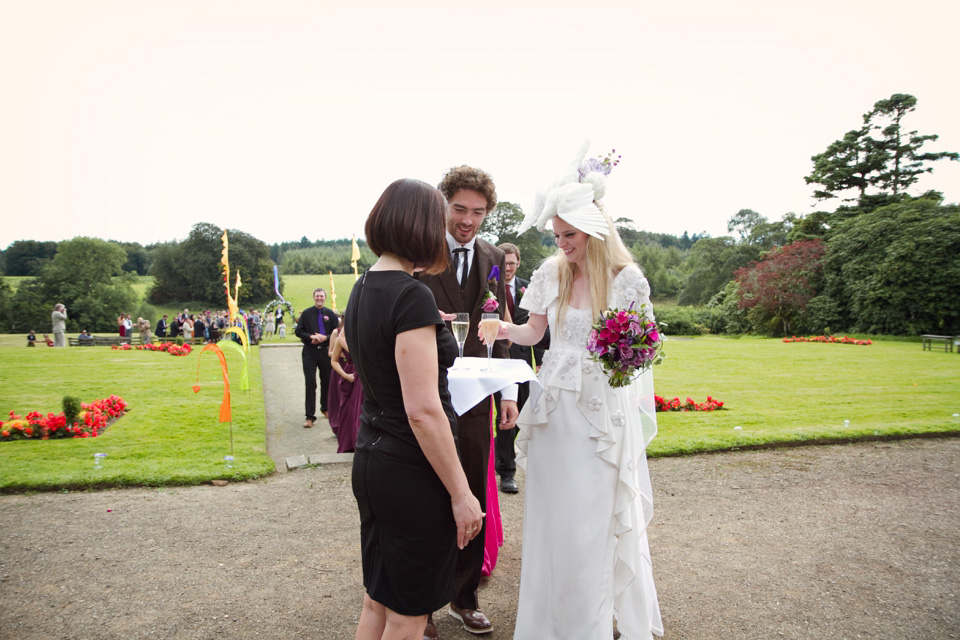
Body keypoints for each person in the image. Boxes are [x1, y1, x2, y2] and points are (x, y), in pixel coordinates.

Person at [494, 142, 663, 639]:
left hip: (599, 415)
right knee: (553, 520)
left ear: (593, 230)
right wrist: (502, 330)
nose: (562, 243)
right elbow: (533, 334)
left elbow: (644, 345)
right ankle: (548, 622)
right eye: (556, 234)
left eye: (569, 235)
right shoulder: (550, 272)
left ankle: (587, 623)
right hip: (554, 412)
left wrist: (624, 357)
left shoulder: (626, 278)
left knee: (591, 521)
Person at [345, 178, 483, 640]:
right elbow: (424, 411)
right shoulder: (411, 295)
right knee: (408, 615)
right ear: (424, 227)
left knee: (377, 601)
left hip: (372, 457)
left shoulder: (362, 286)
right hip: (410, 470)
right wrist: (462, 494)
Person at [417, 164, 516, 637]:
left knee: (472, 494)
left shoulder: (494, 257)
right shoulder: (419, 252)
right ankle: (423, 606)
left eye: (477, 212)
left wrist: (509, 394)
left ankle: (464, 597)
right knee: (430, 498)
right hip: (428, 397)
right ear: (443, 206)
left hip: (478, 402)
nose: (467, 221)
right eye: (459, 209)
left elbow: (501, 334)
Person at [493, 243, 550, 495]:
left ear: (518, 263)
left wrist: (540, 362)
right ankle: (507, 472)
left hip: (522, 363)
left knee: (519, 415)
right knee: (503, 416)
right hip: (494, 359)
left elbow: (540, 328)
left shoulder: (530, 287)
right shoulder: (488, 286)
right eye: (504, 264)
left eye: (512, 263)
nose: (508, 268)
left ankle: (503, 456)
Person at [294, 288, 338, 428]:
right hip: (310, 352)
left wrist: (325, 338)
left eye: (321, 296)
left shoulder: (330, 314)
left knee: (326, 381)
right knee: (310, 383)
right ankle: (310, 417)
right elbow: (298, 331)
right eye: (317, 296)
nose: (319, 298)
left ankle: (325, 408)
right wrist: (312, 336)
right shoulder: (307, 314)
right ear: (314, 297)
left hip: (325, 352)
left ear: (325, 298)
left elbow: (337, 333)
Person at [329, 327, 363, 453]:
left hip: (362, 376)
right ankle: (347, 442)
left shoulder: (363, 339)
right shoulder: (340, 339)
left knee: (359, 409)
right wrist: (345, 375)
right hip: (349, 377)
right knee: (346, 410)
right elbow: (334, 361)